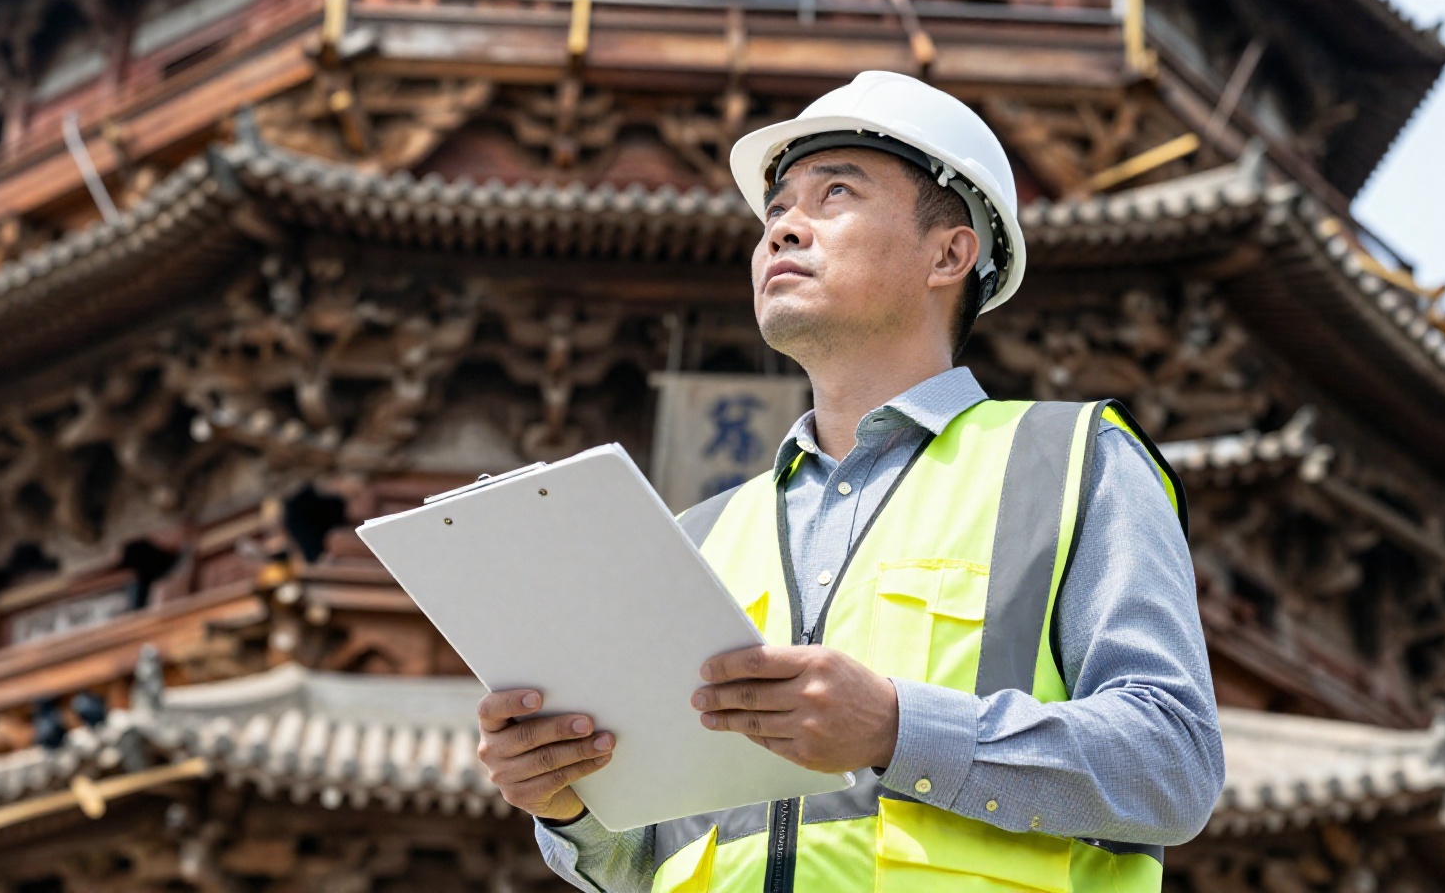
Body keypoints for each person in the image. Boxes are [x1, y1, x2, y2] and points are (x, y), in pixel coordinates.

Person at [475, 70, 1223, 892]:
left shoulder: (1074, 461)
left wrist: (899, 728)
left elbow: (1175, 764)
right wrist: (568, 804)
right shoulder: (703, 534)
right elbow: (647, 860)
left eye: (834, 193)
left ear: (949, 253)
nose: (783, 230)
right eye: (776, 210)